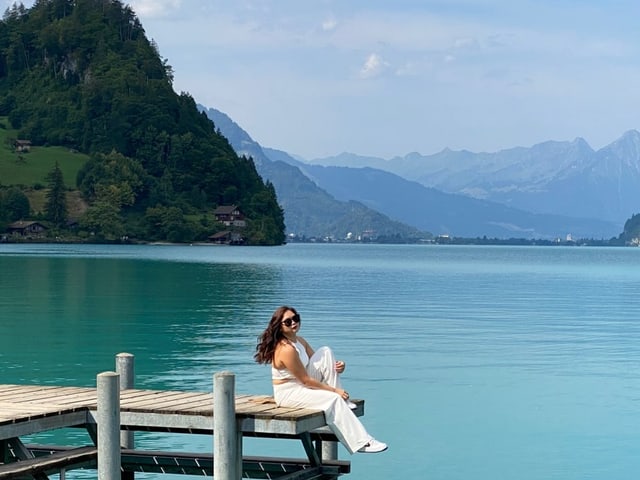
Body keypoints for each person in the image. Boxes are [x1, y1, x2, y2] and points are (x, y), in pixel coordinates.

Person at [254, 305, 388, 454]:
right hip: (289, 392)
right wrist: (335, 391)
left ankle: (343, 402)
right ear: (279, 326)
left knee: (325, 352)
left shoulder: (299, 341)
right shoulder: (286, 349)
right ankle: (361, 443)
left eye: (295, 318)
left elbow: (320, 363)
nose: (293, 323)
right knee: (333, 400)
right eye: (288, 321)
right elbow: (305, 380)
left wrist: (339, 366)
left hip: (302, 384)